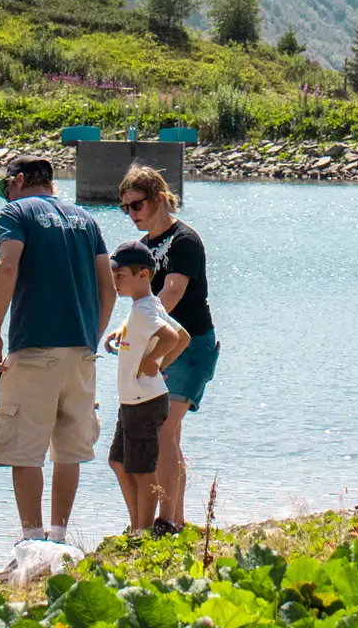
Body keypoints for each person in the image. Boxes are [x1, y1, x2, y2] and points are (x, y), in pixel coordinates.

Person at [0, 155, 114, 545]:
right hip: (81, 351)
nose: (6, 195)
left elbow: (8, 267)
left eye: (7, 186)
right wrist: (92, 335)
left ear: (20, 180)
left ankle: (31, 540)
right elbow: (107, 285)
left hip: (34, 346)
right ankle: (58, 538)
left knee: (24, 448)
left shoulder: (16, 212)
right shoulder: (86, 220)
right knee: (68, 450)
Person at [118, 165, 219, 534]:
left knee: (164, 430)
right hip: (162, 346)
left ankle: (165, 519)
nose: (132, 213)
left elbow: (172, 292)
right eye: (125, 207)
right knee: (168, 433)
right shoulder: (143, 248)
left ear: (159, 199)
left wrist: (136, 331)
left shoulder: (184, 241)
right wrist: (127, 330)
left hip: (191, 345)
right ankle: (174, 519)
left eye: (137, 204)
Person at [104, 241, 188, 534]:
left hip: (143, 399)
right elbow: (183, 335)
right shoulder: (146, 306)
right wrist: (121, 331)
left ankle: (142, 531)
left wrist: (152, 363)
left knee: (141, 470)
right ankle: (138, 524)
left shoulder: (143, 310)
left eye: (121, 275)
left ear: (143, 274)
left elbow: (173, 338)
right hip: (134, 398)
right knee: (118, 461)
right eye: (114, 275)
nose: (115, 280)